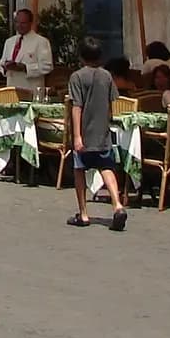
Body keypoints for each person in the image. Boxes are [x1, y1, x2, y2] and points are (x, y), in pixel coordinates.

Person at [66, 37, 127, 231]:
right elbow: (111, 104)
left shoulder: (76, 77)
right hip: (102, 132)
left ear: (81, 56)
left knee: (79, 169)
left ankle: (83, 213)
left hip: (84, 131)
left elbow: (77, 106)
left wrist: (77, 136)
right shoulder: (107, 76)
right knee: (106, 167)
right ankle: (117, 204)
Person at [0, 7, 53, 98]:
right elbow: (1, 62)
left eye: (23, 23)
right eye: (17, 22)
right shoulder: (9, 42)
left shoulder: (41, 42)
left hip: (31, 90)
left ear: (30, 23)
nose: (19, 25)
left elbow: (47, 66)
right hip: (12, 89)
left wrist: (25, 68)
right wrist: (5, 66)